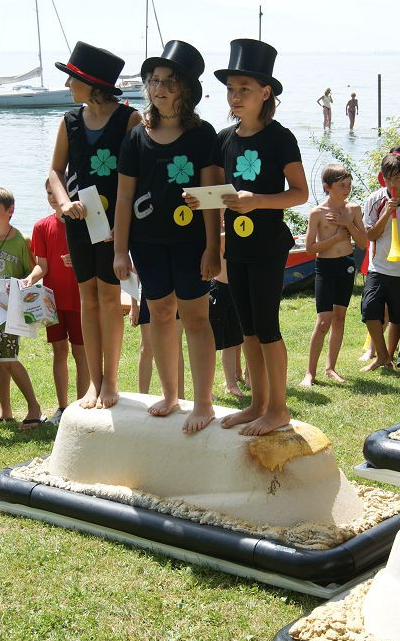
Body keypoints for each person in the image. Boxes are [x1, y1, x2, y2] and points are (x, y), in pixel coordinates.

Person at [114, 40, 221, 433]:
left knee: (195, 318)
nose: (159, 89)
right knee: (159, 314)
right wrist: (120, 250)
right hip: (147, 244)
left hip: (192, 243)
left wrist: (213, 246)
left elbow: (212, 198)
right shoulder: (136, 135)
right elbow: (124, 197)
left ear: (186, 91)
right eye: (154, 81)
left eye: (170, 83)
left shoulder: (203, 135)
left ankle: (204, 402)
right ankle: (171, 394)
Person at [212, 38, 308, 435]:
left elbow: (300, 194)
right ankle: (257, 404)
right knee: (246, 326)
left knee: (267, 327)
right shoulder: (224, 139)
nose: (235, 97)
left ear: (265, 92)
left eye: (244, 89)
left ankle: (278, 409)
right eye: (231, 89)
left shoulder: (279, 137)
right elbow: (219, 192)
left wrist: (258, 201)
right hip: (235, 246)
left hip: (268, 245)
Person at [48, 41, 142, 410]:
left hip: (115, 224)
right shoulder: (69, 121)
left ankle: (112, 382)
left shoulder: (129, 120)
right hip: (78, 220)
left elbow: (138, 177)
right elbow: (56, 171)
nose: (69, 85)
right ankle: (93, 383)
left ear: (94, 84)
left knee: (109, 297)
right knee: (87, 296)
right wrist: (63, 202)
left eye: (73, 79)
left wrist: (127, 223)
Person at [23, 180, 90, 425]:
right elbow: (42, 266)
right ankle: (63, 408)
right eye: (49, 193)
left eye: (57, 193)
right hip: (52, 301)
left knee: (81, 353)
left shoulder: (85, 224)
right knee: (59, 351)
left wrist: (80, 259)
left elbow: (97, 259)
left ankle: (83, 404)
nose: (52, 197)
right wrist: (30, 279)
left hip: (80, 299)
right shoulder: (41, 227)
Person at [0, 187, 45, 429]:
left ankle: (34, 406)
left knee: (8, 357)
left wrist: (27, 281)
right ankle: (5, 409)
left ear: (10, 211)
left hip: (13, 310)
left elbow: (34, 270)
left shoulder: (21, 240)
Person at [300, 163, 367, 387]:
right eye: (341, 186)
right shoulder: (317, 213)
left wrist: (349, 224)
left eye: (348, 185)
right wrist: (337, 238)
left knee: (340, 317)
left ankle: (331, 368)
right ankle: (310, 373)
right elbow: (310, 249)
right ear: (328, 187)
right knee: (323, 321)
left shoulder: (354, 209)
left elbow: (363, 242)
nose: (346, 189)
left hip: (346, 265)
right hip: (325, 268)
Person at [361, 152, 400, 371]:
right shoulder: (374, 200)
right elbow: (369, 235)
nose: (393, 183)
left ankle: (387, 355)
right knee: (369, 311)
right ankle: (382, 355)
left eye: (397, 178)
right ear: (383, 178)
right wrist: (387, 212)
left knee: (398, 316)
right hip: (378, 267)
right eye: (388, 179)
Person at [209, 219, 245, 397]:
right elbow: (220, 240)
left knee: (231, 341)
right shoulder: (216, 230)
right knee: (210, 342)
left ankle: (231, 383)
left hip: (235, 289)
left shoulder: (237, 228)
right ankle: (206, 389)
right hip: (217, 288)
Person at [129, 290, 185, 398]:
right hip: (151, 291)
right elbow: (134, 274)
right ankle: (142, 397)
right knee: (146, 348)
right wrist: (134, 305)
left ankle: (180, 398)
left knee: (176, 346)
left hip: (175, 292)